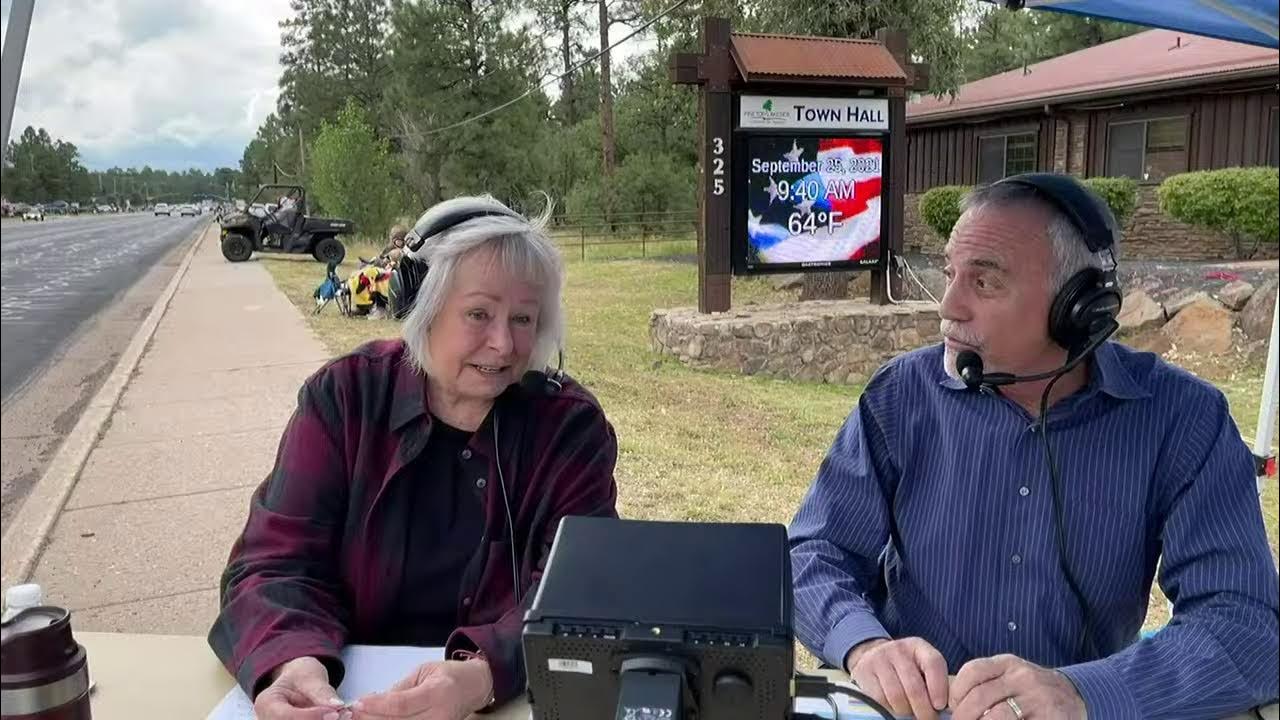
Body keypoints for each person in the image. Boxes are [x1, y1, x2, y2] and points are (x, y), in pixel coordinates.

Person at [789, 174, 1279, 720]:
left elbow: (1245, 625)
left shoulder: (1184, 418)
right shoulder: (901, 395)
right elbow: (812, 552)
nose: (948, 307)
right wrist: (863, 645)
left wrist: (1084, 693)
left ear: (1077, 306)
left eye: (984, 282)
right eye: (950, 274)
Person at [209, 195, 620, 720]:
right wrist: (292, 663)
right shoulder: (345, 398)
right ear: (420, 304)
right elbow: (273, 562)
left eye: (523, 318)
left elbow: (581, 590)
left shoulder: (569, 430)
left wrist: (486, 675)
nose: (503, 344)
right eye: (478, 313)